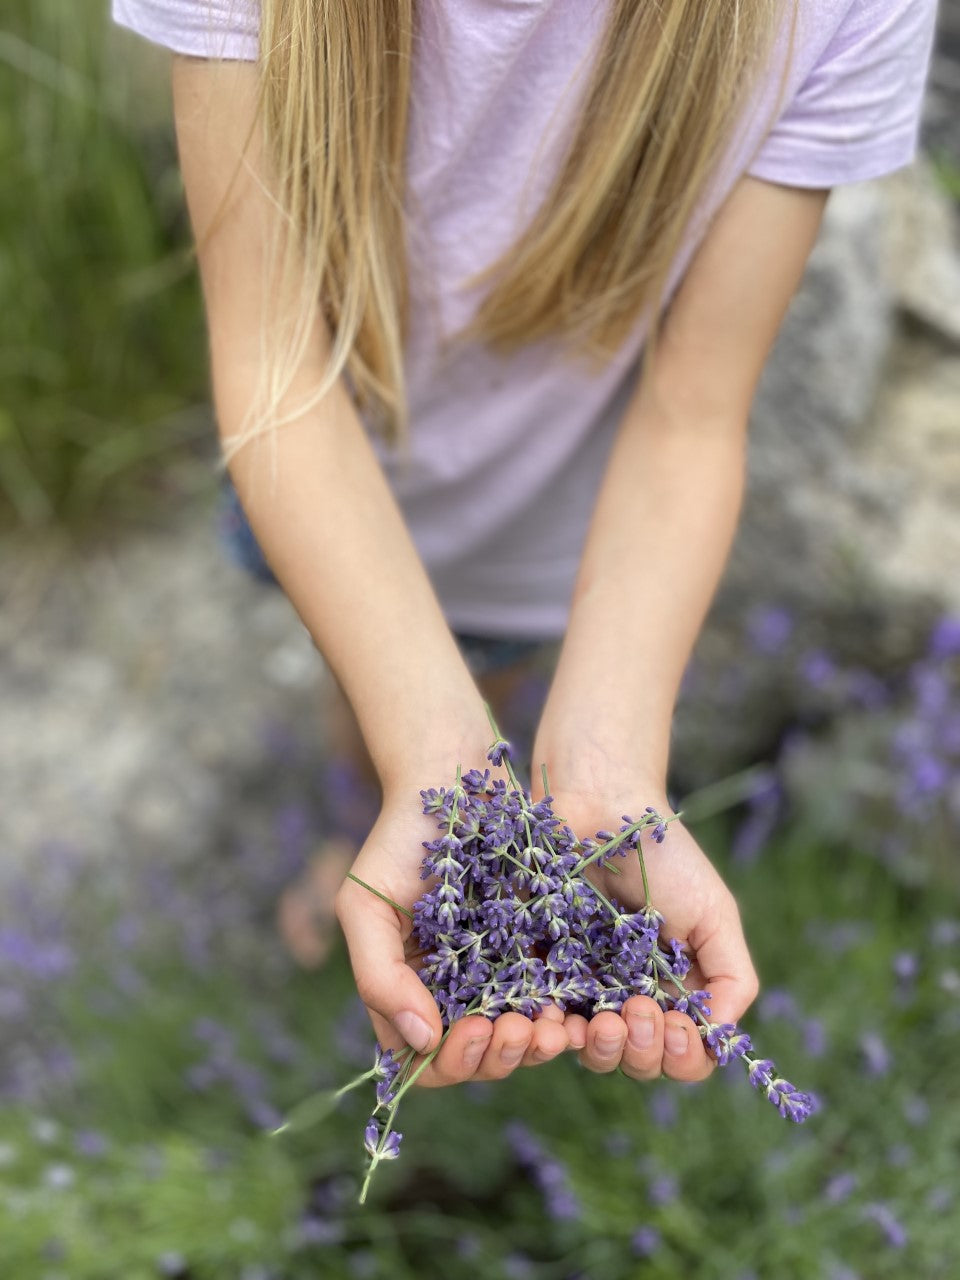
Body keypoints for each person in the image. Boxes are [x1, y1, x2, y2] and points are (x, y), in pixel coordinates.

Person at [113, 1, 937, 1089]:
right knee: (360, 688)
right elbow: (272, 366)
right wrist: (424, 744)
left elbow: (692, 410)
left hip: (547, 491)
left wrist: (603, 768)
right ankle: (363, 803)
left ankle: (387, 800)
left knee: (485, 667)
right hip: (313, 458)